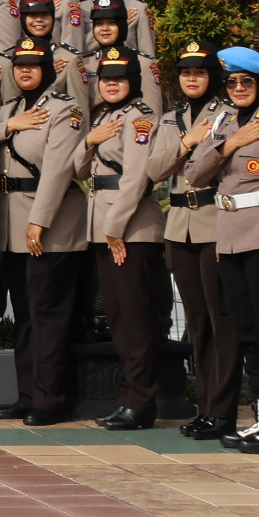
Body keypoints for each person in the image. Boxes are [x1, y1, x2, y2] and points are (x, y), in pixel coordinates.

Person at [183, 47, 259, 453]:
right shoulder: (223, 123)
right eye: (231, 82)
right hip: (231, 240)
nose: (238, 88)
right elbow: (194, 174)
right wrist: (230, 144)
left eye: (246, 81)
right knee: (249, 334)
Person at [82, 47, 179, 430]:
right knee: (120, 319)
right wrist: (88, 140)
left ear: (133, 82)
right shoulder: (102, 118)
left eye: (119, 78)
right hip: (105, 227)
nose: (111, 84)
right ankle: (131, 399)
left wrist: (114, 227)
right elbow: (77, 169)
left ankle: (140, 402)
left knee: (136, 320)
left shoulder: (141, 118)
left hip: (131, 230)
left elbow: (137, 177)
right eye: (106, 78)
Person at [0, 32, 89, 426]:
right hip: (12, 221)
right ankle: (28, 394)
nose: (25, 71)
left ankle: (52, 400)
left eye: (33, 65)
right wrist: (6, 126)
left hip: (50, 224)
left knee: (49, 316)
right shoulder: (9, 109)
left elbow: (57, 170)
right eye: (20, 65)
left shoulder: (65, 109)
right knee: (26, 316)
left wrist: (39, 221)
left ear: (48, 70)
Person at [162, 37, 239, 441]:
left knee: (220, 320)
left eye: (200, 72)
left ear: (213, 77)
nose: (192, 79)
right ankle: (206, 407)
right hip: (179, 226)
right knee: (196, 321)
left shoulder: (228, 114)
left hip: (215, 222)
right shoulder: (170, 118)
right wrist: (185, 142)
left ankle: (223, 411)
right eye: (186, 73)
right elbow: (154, 168)